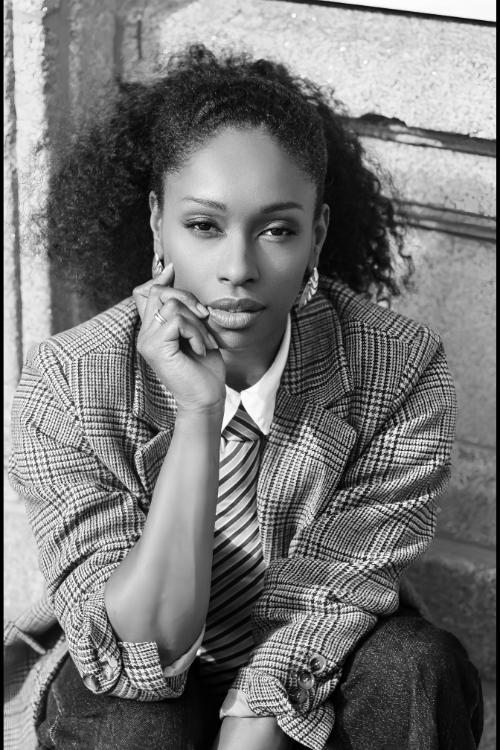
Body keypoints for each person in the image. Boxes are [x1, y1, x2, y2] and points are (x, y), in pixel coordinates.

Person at [6, 44, 483, 750]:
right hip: (137, 665)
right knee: (136, 719)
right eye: (204, 226)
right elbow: (139, 650)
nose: (238, 268)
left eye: (277, 230)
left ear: (317, 235)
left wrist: (255, 717)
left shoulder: (398, 367)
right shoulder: (69, 382)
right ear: (157, 223)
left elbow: (334, 592)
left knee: (416, 666)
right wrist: (198, 415)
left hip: (317, 653)